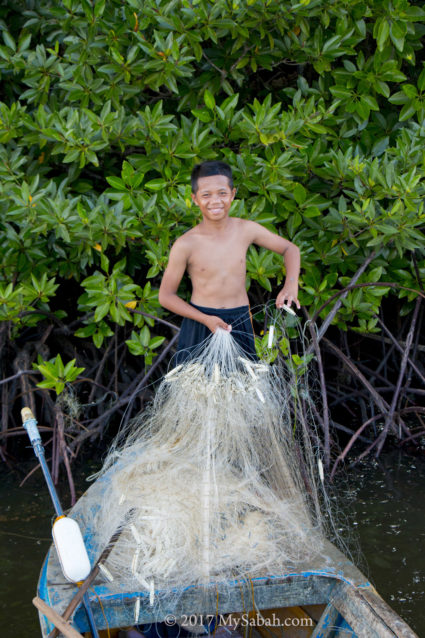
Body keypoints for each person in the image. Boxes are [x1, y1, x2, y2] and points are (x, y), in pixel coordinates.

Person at [158, 160, 301, 363]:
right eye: (206, 195)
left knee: (241, 386)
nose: (215, 201)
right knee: (199, 390)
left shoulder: (246, 229)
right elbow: (166, 296)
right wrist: (205, 319)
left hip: (240, 320)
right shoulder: (185, 244)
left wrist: (291, 285)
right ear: (195, 199)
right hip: (201, 322)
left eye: (222, 193)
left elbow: (290, 249)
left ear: (233, 194)